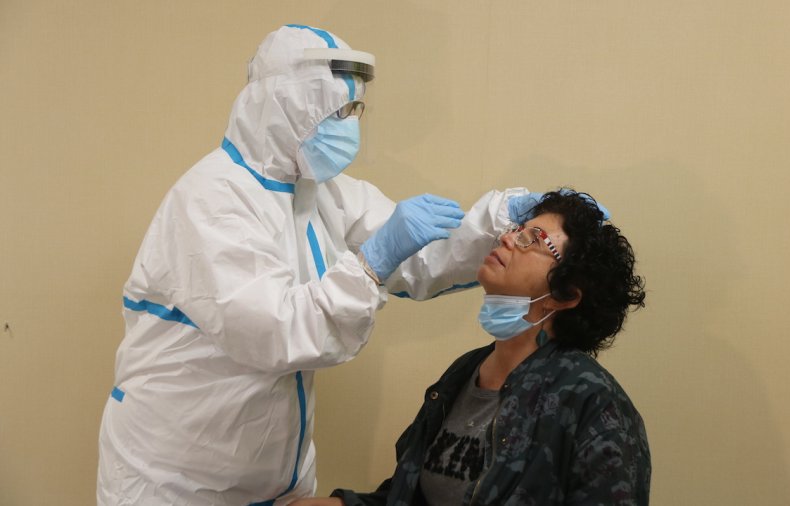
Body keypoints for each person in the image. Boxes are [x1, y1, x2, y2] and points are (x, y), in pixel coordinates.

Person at [97, 24, 539, 506]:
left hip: (275, 479)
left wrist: (502, 219)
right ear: (282, 106)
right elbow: (276, 330)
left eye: (356, 110)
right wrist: (371, 264)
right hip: (177, 482)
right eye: (336, 111)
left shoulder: (319, 191)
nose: (349, 125)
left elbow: (419, 256)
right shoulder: (211, 200)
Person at [294, 189, 650, 505]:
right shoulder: (465, 373)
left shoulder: (592, 402)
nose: (508, 239)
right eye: (516, 230)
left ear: (566, 296)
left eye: (534, 238)